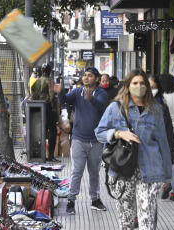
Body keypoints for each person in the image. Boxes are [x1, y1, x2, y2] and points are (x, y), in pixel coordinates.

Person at [95, 69, 172, 230]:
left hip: (150, 170)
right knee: (126, 222)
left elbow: (163, 143)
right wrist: (118, 133)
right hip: (122, 170)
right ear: (127, 86)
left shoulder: (156, 110)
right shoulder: (115, 108)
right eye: (135, 83)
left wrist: (167, 175)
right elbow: (99, 132)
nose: (139, 86)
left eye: (142, 83)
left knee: (147, 221)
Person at [52, 66, 108, 215]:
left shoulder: (101, 92)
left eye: (89, 75)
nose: (86, 78)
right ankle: (71, 201)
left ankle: (95, 199)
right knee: (76, 171)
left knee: (94, 172)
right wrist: (59, 92)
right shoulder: (77, 92)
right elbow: (65, 100)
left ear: (96, 78)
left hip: (96, 140)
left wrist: (91, 99)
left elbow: (100, 104)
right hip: (78, 138)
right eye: (85, 75)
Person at [31, 64, 60, 162]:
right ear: (49, 71)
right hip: (48, 107)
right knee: (52, 131)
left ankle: (41, 154)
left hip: (38, 107)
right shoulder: (50, 81)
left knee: (41, 131)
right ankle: (51, 155)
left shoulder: (36, 82)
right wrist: (54, 109)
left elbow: (33, 96)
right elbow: (52, 97)